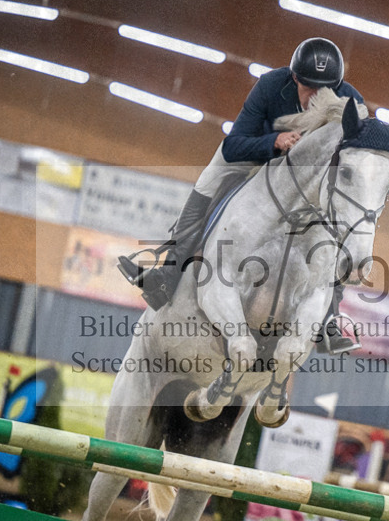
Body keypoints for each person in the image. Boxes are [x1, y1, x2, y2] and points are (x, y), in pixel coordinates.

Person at [118, 37, 364, 354]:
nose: (317, 96)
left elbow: (358, 154)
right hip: (253, 155)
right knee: (208, 181)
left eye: (326, 88)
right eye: (309, 87)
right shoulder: (269, 86)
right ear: (294, 79)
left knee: (343, 215)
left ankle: (330, 317)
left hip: (306, 178)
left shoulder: (349, 101)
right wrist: (274, 142)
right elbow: (235, 145)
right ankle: (167, 273)